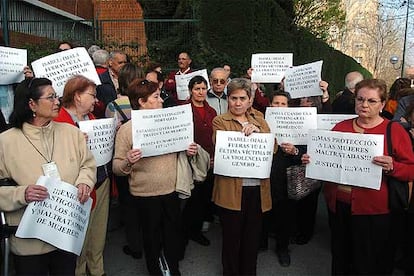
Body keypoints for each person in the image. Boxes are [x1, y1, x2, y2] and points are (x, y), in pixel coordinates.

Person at [302, 79, 414, 275]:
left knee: (368, 262)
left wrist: (392, 167)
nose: (364, 105)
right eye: (360, 99)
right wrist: (312, 159)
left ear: (382, 104)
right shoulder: (340, 127)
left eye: (371, 101)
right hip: (339, 207)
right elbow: (327, 158)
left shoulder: (393, 130)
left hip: (374, 211)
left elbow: (411, 169)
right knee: (341, 258)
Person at [0, 77, 96, 275]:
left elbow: (87, 165)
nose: (57, 102)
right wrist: (22, 194)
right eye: (50, 97)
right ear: (31, 104)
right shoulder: (5, 142)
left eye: (56, 96)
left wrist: (85, 182)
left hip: (65, 235)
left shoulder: (72, 133)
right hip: (29, 242)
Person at [112, 78, 199, 275]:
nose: (161, 101)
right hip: (145, 195)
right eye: (156, 97)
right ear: (142, 102)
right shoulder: (127, 130)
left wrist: (189, 150)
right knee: (151, 239)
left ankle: (173, 270)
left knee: (172, 236)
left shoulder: (171, 122)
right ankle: (155, 271)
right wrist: (128, 160)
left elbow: (182, 150)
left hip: (171, 190)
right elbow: (117, 167)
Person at [212, 78, 275, 275]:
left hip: (257, 190)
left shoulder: (261, 120)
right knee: (231, 239)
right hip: (230, 191)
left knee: (251, 239)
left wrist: (258, 132)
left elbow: (273, 148)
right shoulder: (220, 121)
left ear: (250, 100)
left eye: (242, 98)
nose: (237, 103)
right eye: (233, 98)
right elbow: (219, 144)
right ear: (228, 99)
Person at [54, 75, 110, 276]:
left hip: (101, 181)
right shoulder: (58, 121)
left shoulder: (92, 118)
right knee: (80, 237)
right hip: (78, 188)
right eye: (92, 95)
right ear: (77, 96)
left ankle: (97, 270)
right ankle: (78, 271)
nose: (96, 100)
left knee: (98, 234)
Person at [105, 63, 145, 260]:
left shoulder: (113, 106)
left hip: (124, 161)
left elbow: (109, 138)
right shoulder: (148, 104)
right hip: (145, 160)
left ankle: (134, 244)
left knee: (128, 206)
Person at [264, 90, 305, 267]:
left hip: (286, 175)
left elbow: (306, 151)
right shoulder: (262, 122)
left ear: (289, 106)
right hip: (265, 173)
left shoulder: (300, 124)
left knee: (285, 213)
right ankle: (260, 242)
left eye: (283, 103)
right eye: (276, 103)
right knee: (264, 210)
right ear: (270, 105)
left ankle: (283, 248)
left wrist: (295, 151)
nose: (279, 107)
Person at [182, 76, 217, 247]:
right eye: (197, 89)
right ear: (190, 91)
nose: (201, 92)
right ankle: (187, 230)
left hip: (209, 161)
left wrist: (214, 156)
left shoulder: (212, 112)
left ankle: (196, 230)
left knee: (204, 196)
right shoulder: (183, 110)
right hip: (190, 161)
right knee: (191, 198)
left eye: (203, 88)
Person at [95, 50, 128, 118]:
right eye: (120, 62)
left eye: (125, 62)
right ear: (110, 62)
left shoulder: (129, 77)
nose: (123, 65)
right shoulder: (101, 79)